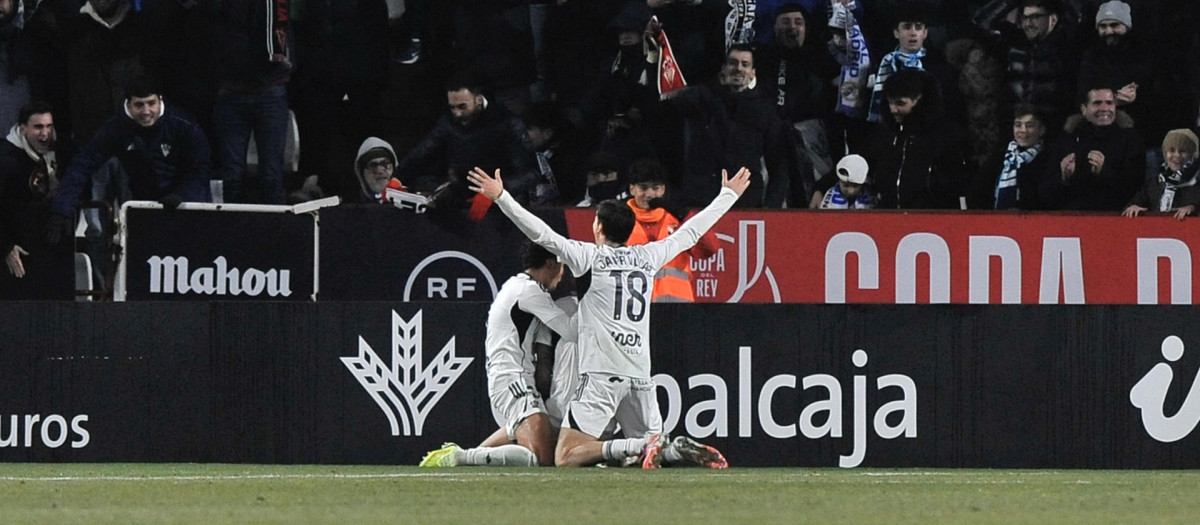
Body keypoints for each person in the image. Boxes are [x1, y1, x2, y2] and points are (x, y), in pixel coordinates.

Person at [466, 164, 747, 469]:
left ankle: (640, 444)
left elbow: (540, 232)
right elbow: (692, 232)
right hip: (640, 375)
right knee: (655, 457)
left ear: (598, 227)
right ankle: (667, 447)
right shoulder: (648, 256)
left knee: (566, 457)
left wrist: (502, 197)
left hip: (602, 376)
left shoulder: (589, 257)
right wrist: (727, 196)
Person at [420, 241, 575, 467]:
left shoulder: (522, 288)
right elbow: (571, 331)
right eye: (562, 267)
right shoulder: (528, 292)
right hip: (513, 380)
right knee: (542, 459)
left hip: (514, 380)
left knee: (542, 439)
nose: (563, 275)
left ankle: (465, 456)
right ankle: (459, 457)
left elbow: (542, 346)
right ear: (550, 264)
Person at [47, 78, 212, 247]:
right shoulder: (115, 128)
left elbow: (200, 169)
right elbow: (83, 165)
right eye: (139, 105)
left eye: (151, 103)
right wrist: (62, 209)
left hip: (185, 204)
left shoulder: (183, 125)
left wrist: (182, 196)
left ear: (160, 100)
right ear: (128, 103)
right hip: (145, 208)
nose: (146, 111)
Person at [663, 44, 790, 209]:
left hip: (744, 202)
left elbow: (778, 164)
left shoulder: (765, 110)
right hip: (700, 201)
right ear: (723, 68)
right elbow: (671, 99)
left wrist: (771, 207)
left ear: (753, 73)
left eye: (745, 64)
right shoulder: (702, 97)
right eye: (733, 63)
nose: (738, 69)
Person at [396, 79, 538, 212]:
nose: (457, 113)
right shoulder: (448, 122)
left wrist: (497, 192)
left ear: (478, 99)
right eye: (453, 107)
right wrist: (398, 177)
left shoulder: (507, 122)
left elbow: (530, 173)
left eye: (462, 107)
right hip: (463, 199)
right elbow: (424, 151)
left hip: (506, 204)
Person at [207, 0, 292, 205]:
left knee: (272, 174)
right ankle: (232, 232)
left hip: (270, 87)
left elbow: (283, 22)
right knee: (232, 175)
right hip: (232, 89)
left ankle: (275, 232)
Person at [860, 69, 969, 209]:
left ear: (920, 100)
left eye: (900, 103)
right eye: (889, 102)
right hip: (888, 217)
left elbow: (958, 184)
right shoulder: (886, 134)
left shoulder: (948, 137)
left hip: (933, 220)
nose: (893, 109)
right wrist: (823, 185)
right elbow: (859, 160)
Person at [0, 102, 74, 299]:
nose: (45, 134)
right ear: (22, 128)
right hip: (16, 255)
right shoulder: (6, 160)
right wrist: (5, 246)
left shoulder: (57, 153)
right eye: (38, 127)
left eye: (49, 126)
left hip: (48, 249)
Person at [973, 0, 1080, 131]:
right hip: (1013, 127)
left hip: (1052, 127)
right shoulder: (1013, 40)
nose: (1028, 24)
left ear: (1053, 19)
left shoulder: (1065, 44)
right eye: (1025, 17)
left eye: (1035, 17)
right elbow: (982, 23)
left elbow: (1079, 18)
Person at [624, 159, 718, 303]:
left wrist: (684, 216)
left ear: (663, 189)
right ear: (632, 189)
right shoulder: (620, 219)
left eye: (655, 188)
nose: (649, 194)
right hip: (635, 310)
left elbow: (710, 249)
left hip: (678, 308)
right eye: (643, 188)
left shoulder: (677, 220)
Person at [1039, 85, 1143, 210]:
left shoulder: (1130, 140)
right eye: (1097, 103)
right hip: (1071, 218)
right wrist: (1063, 177)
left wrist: (1104, 172)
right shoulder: (1066, 140)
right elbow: (1045, 195)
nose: (1104, 108)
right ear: (1084, 109)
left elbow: (1136, 192)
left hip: (1114, 218)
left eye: (1109, 103)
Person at [967, 104, 1050, 210]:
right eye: (1018, 125)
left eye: (1030, 125)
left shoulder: (1049, 157)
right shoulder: (1000, 156)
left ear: (1042, 130)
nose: (1023, 130)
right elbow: (977, 192)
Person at [1122, 129, 1200, 220]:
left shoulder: (1198, 183)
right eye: (1171, 150)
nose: (1177, 155)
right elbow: (1130, 207)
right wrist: (1133, 208)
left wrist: (1194, 210)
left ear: (1192, 155)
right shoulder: (1154, 183)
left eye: (1183, 151)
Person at [810, 154, 877, 209]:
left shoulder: (871, 196)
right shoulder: (830, 197)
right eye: (846, 185)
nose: (851, 191)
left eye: (855, 186)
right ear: (839, 181)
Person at [352, 137, 404, 204]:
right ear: (362, 174)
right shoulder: (352, 211)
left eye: (385, 164)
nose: (380, 171)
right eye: (372, 166)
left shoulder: (416, 207)